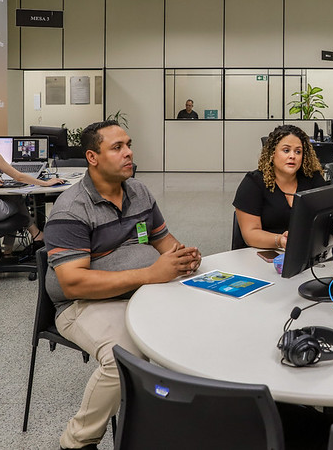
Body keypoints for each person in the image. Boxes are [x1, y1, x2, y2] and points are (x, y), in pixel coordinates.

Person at [43, 120, 202, 450]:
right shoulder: (72, 207)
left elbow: (163, 241)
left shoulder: (139, 192)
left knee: (198, 318)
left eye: (128, 144)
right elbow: (72, 283)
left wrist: (182, 257)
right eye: (117, 147)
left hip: (136, 290)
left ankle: (173, 418)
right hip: (81, 304)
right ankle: (77, 441)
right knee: (124, 356)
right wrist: (149, 275)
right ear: (93, 157)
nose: (129, 152)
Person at [0, 116, 65, 255]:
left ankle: (8, 249)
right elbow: (19, 176)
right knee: (16, 200)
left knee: (10, 201)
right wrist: (46, 183)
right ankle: (35, 235)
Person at [233, 124, 325, 249]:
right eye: (286, 150)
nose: (292, 156)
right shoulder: (254, 183)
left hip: (305, 252)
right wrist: (280, 240)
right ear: (273, 153)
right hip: (259, 254)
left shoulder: (313, 179)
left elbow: (325, 219)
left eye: (298, 151)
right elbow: (251, 234)